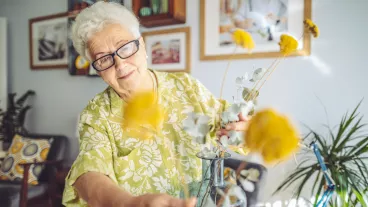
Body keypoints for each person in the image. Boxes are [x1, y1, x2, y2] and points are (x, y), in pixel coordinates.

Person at [62, 2, 249, 207]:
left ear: (142, 45)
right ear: (98, 70)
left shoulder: (186, 86)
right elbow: (89, 174)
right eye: (104, 59)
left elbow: (232, 128)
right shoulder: (96, 114)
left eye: (125, 47)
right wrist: (130, 203)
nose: (120, 64)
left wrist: (244, 129)